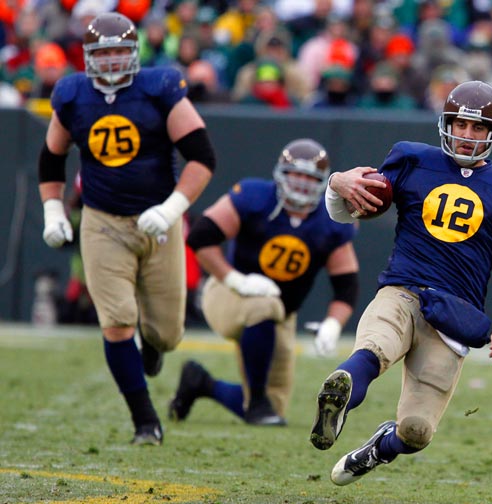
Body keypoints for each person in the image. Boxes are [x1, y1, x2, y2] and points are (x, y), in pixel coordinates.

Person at [309, 80, 492, 485]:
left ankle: (379, 448)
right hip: (402, 290)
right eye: (460, 124)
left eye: (478, 127)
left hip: (452, 315)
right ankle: (340, 396)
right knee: (374, 349)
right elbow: (344, 214)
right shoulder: (413, 160)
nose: (467, 134)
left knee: (416, 432)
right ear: (446, 124)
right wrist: (336, 185)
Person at [37, 12, 216, 446]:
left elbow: (202, 157)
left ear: (135, 53)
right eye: (104, 53)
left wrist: (172, 208)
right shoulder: (73, 95)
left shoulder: (159, 88)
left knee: (167, 334)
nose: (113, 61)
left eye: (120, 51)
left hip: (159, 222)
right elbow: (51, 158)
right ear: (88, 57)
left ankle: (152, 345)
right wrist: (53, 211)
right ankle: (145, 421)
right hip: (103, 221)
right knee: (117, 322)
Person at [168, 138, 360, 426]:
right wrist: (235, 279)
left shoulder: (330, 219)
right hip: (228, 292)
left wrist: (333, 324)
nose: (302, 183)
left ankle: (202, 383)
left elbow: (346, 285)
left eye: (310, 177)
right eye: (296, 174)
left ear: (322, 182)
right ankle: (256, 402)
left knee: (275, 405)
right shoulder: (254, 197)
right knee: (264, 306)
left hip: (282, 312)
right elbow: (201, 237)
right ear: (281, 174)